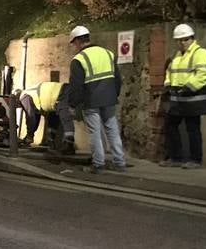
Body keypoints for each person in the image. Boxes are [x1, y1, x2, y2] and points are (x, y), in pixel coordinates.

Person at [67, 25, 127, 173]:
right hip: (109, 98)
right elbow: (117, 78)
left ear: (77, 41)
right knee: (112, 129)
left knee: (95, 132)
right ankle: (119, 162)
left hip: (91, 100)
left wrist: (73, 105)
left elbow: (76, 86)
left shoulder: (79, 59)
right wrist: (115, 94)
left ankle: (98, 163)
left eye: (74, 43)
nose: (74, 47)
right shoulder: (108, 53)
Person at [161, 23, 206, 169]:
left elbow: (203, 73)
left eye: (185, 39)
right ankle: (175, 157)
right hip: (178, 98)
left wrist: (189, 87)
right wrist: (168, 84)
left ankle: (195, 159)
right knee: (171, 126)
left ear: (192, 38)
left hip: (193, 97)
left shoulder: (200, 53)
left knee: (193, 129)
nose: (182, 43)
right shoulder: (177, 56)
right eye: (179, 40)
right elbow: (170, 72)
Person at [18, 79, 75, 153]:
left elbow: (30, 117)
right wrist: (30, 135)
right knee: (53, 117)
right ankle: (50, 141)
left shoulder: (24, 97)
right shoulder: (31, 94)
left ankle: (69, 145)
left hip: (61, 93)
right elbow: (35, 118)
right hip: (57, 98)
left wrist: (29, 136)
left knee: (65, 117)